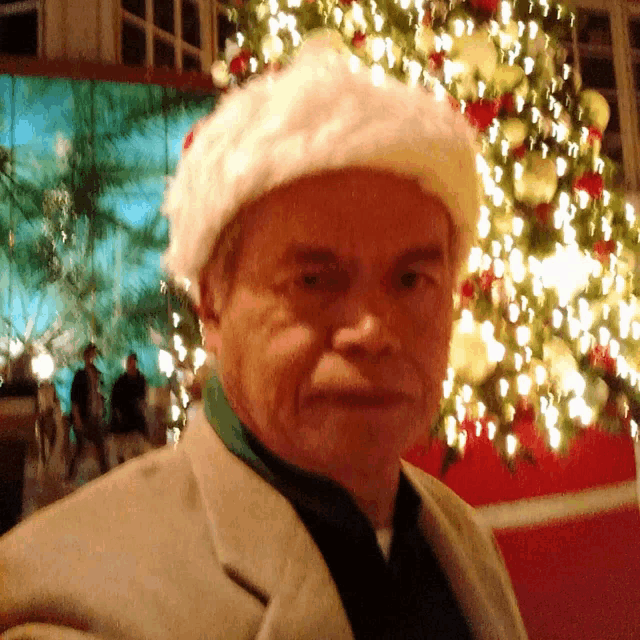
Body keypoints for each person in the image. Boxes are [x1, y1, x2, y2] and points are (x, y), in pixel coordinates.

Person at [0, 44, 528, 639]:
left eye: (412, 280)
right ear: (211, 303)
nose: (374, 331)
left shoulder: (461, 539)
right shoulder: (75, 603)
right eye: (314, 280)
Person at [66, 342, 109, 480]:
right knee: (81, 448)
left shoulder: (96, 374)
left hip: (94, 415)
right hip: (85, 416)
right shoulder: (80, 375)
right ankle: (71, 475)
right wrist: (77, 417)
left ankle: (105, 473)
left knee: (99, 446)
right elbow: (75, 398)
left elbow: (99, 393)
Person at [109, 353, 150, 464]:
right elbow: (115, 402)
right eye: (129, 362)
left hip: (136, 422)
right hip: (125, 424)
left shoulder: (140, 379)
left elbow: (143, 399)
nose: (130, 365)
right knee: (126, 453)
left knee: (139, 450)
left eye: (132, 362)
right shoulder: (120, 381)